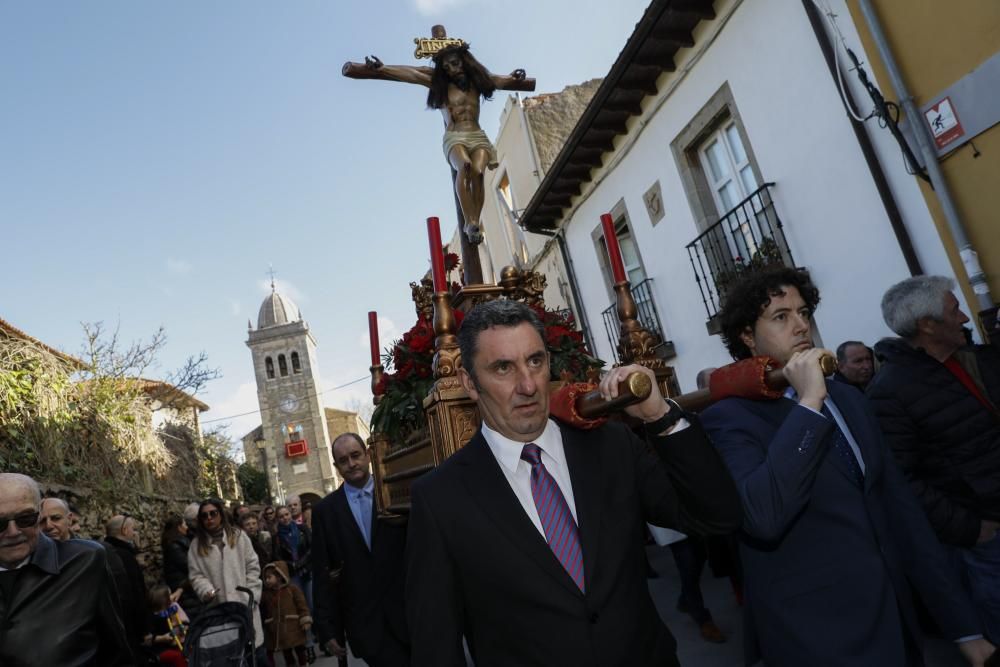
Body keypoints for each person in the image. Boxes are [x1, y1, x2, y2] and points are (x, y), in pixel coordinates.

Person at [405, 300, 742, 666]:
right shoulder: (440, 499)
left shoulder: (612, 446)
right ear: (470, 383)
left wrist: (660, 417)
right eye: (503, 368)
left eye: (535, 361)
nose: (529, 384)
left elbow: (716, 517)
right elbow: (436, 646)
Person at [701, 266, 994, 667]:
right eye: (781, 317)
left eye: (804, 313)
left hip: (898, 623)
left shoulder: (849, 397)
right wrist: (807, 405)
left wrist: (964, 627)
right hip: (817, 638)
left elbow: (901, 510)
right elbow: (762, 515)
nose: (801, 326)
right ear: (747, 336)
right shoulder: (730, 418)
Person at [870, 275, 1000, 641]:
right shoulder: (889, 394)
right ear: (927, 325)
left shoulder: (973, 361)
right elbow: (903, 481)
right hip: (987, 539)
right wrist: (971, 529)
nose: (963, 318)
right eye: (954, 309)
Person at [354, 34, 530, 246]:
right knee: (464, 166)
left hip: (477, 135)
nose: (451, 69)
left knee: (479, 171)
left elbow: (500, 80)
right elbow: (410, 73)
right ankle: (471, 221)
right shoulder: (439, 84)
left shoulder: (478, 81)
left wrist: (515, 78)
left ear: (464, 62)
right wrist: (383, 69)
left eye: (454, 63)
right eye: (446, 67)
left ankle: (475, 217)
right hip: (455, 136)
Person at [0, 472, 132, 666]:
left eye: (25, 518)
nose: (12, 532)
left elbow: (116, 653)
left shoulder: (85, 562)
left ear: (38, 515)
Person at [313, 432, 409, 666]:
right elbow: (323, 572)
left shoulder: (396, 491)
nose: (351, 464)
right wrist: (326, 629)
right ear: (336, 466)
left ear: (367, 455)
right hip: (366, 626)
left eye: (355, 455)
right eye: (343, 460)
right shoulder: (325, 512)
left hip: (410, 615)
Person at [187, 498, 265, 660]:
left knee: (256, 656)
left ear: (220, 515)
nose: (209, 518)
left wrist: (251, 594)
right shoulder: (196, 546)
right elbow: (196, 576)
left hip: (245, 607)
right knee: (232, 657)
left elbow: (253, 566)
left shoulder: (238, 537)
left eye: (213, 513)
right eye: (204, 515)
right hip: (220, 611)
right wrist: (206, 590)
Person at [273, 504, 315, 661]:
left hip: (307, 572)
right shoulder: (277, 538)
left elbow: (312, 548)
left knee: (312, 607)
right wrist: (291, 565)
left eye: (286, 514)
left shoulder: (302, 529)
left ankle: (323, 639)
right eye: (281, 516)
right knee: (302, 610)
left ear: (290, 515)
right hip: (293, 576)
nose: (285, 518)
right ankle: (309, 645)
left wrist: (302, 562)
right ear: (278, 519)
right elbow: (278, 557)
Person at [105, 513, 149, 659]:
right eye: (133, 529)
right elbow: (136, 592)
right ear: (124, 531)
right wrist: (144, 628)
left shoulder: (105, 551)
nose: (135, 533)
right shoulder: (125, 556)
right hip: (129, 624)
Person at [261, 560, 313, 667]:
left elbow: (301, 605)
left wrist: (305, 618)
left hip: (294, 627)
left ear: (279, 576)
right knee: (286, 650)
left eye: (269, 577)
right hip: (279, 629)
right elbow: (263, 606)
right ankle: (291, 664)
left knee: (299, 648)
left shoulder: (292, 589)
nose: (267, 580)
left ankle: (303, 663)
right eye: (265, 578)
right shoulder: (267, 594)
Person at [162, 513, 202, 622]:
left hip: (187, 590)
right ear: (179, 527)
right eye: (184, 524)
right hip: (185, 593)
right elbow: (190, 566)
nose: (187, 527)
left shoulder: (181, 543)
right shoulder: (175, 547)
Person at [145, 583, 189, 667]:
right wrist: (163, 638)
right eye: (170, 595)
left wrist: (182, 627)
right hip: (161, 649)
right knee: (178, 657)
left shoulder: (173, 609)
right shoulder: (152, 617)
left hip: (177, 644)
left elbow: (185, 623)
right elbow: (148, 638)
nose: (173, 596)